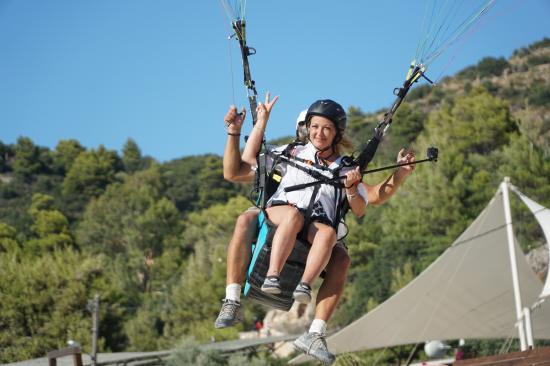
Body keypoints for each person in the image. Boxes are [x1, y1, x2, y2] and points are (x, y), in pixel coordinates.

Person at [216, 94, 416, 365]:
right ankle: (233, 298)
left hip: (316, 231)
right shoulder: (290, 154)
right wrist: (237, 131)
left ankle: (314, 331)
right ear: (306, 128)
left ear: (336, 134)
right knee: (263, 218)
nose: (319, 133)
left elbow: (370, 199)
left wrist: (399, 175)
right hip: (282, 216)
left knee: (341, 256)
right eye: (314, 127)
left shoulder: (344, 169)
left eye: (326, 128)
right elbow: (235, 170)